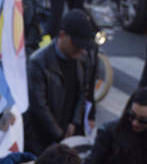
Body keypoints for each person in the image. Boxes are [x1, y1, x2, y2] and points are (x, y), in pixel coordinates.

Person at [23, 8, 94, 155]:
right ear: (62, 35)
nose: (81, 51)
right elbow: (40, 106)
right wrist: (60, 134)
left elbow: (83, 92)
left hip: (68, 132)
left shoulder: (83, 58)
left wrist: (75, 122)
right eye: (76, 45)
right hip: (41, 138)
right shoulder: (38, 62)